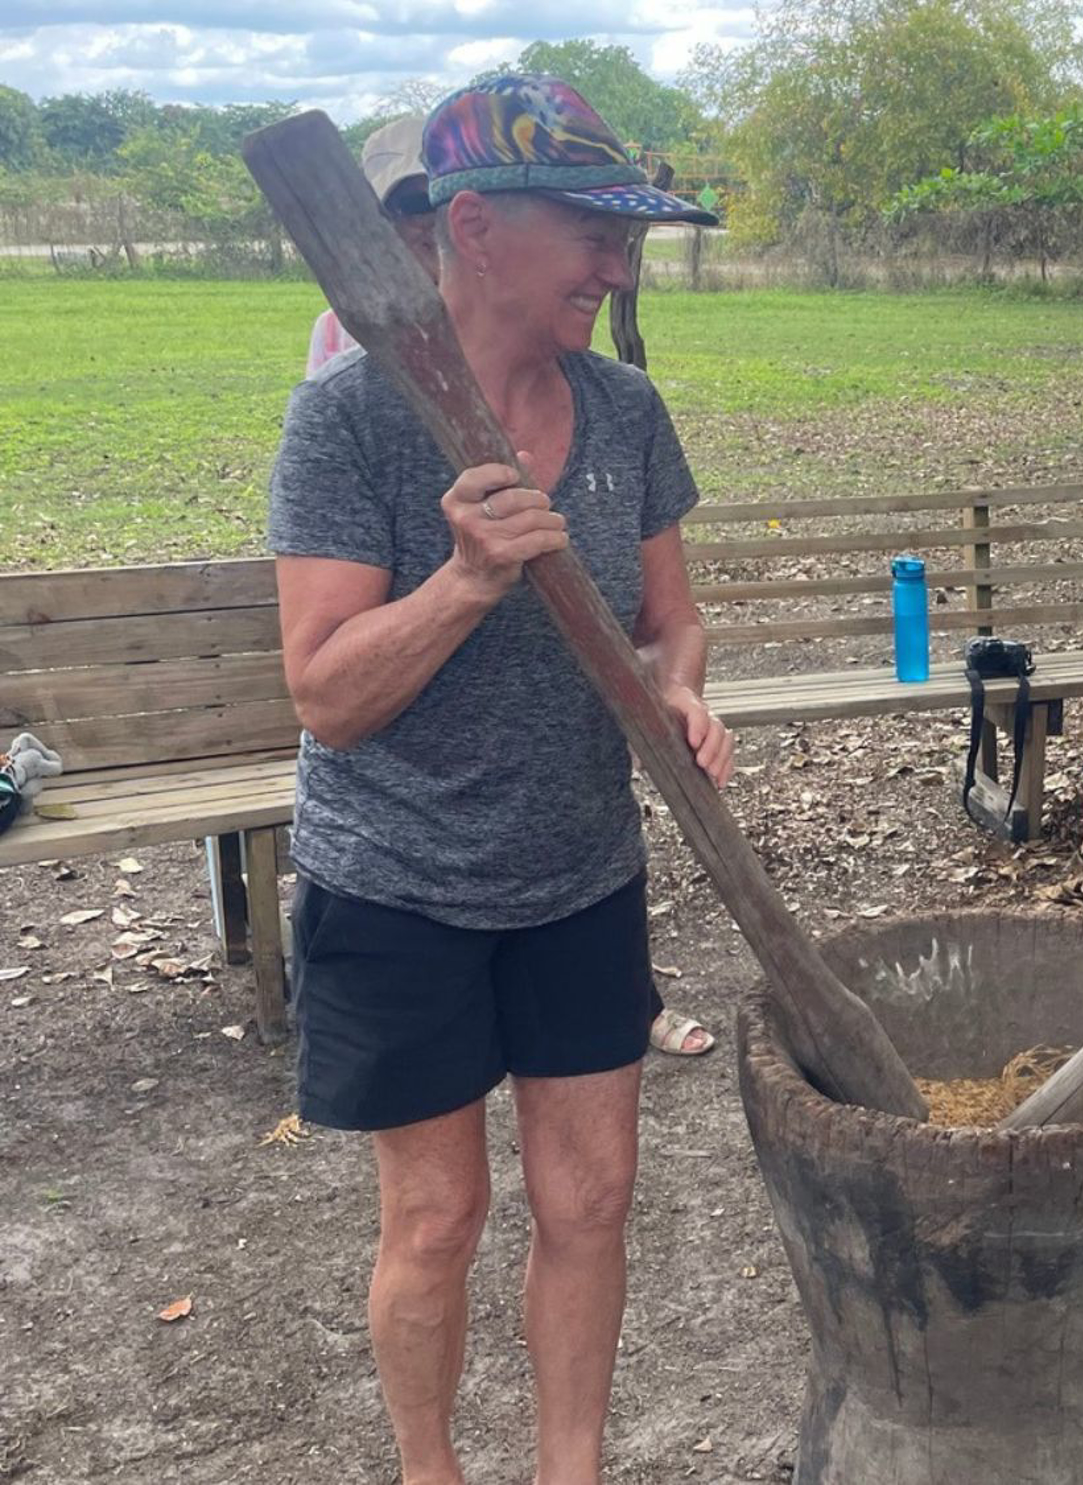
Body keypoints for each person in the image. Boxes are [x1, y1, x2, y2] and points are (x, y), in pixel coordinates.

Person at [267, 73, 724, 1485]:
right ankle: (431, 1470)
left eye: (623, 234)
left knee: (589, 1198)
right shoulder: (349, 423)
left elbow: (672, 619)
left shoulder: (627, 411)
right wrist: (467, 579)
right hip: (396, 880)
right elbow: (327, 694)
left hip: (579, 865)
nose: (613, 262)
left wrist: (683, 685)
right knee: (438, 1219)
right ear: (474, 228)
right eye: (588, 230)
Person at [305, 116, 436, 378]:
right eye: (418, 204)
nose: (442, 219)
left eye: (448, 199)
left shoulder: (514, 320)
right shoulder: (335, 330)